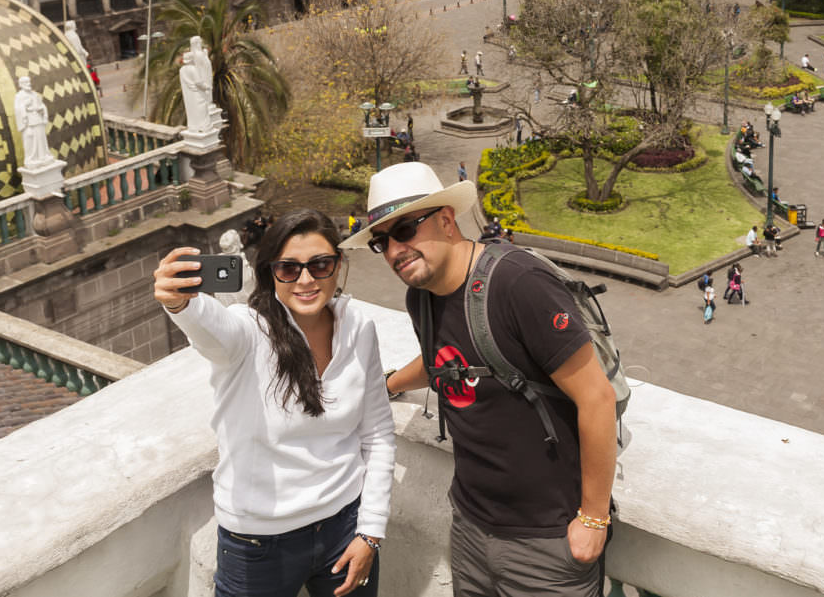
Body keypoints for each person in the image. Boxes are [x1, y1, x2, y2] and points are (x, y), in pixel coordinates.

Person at [364, 163, 617, 596]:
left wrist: (593, 519)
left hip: (547, 538)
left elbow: (597, 398)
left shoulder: (518, 283)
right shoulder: (419, 298)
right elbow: (442, 360)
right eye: (380, 241)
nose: (393, 251)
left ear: (446, 220)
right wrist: (385, 386)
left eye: (405, 229)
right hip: (470, 525)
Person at [153, 210, 395, 597]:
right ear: (270, 272)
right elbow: (211, 326)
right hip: (258, 545)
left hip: (345, 527)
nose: (305, 279)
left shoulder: (357, 327)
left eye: (320, 265)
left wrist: (371, 533)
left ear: (338, 265)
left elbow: (378, 434)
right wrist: (181, 304)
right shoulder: (247, 332)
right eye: (288, 268)